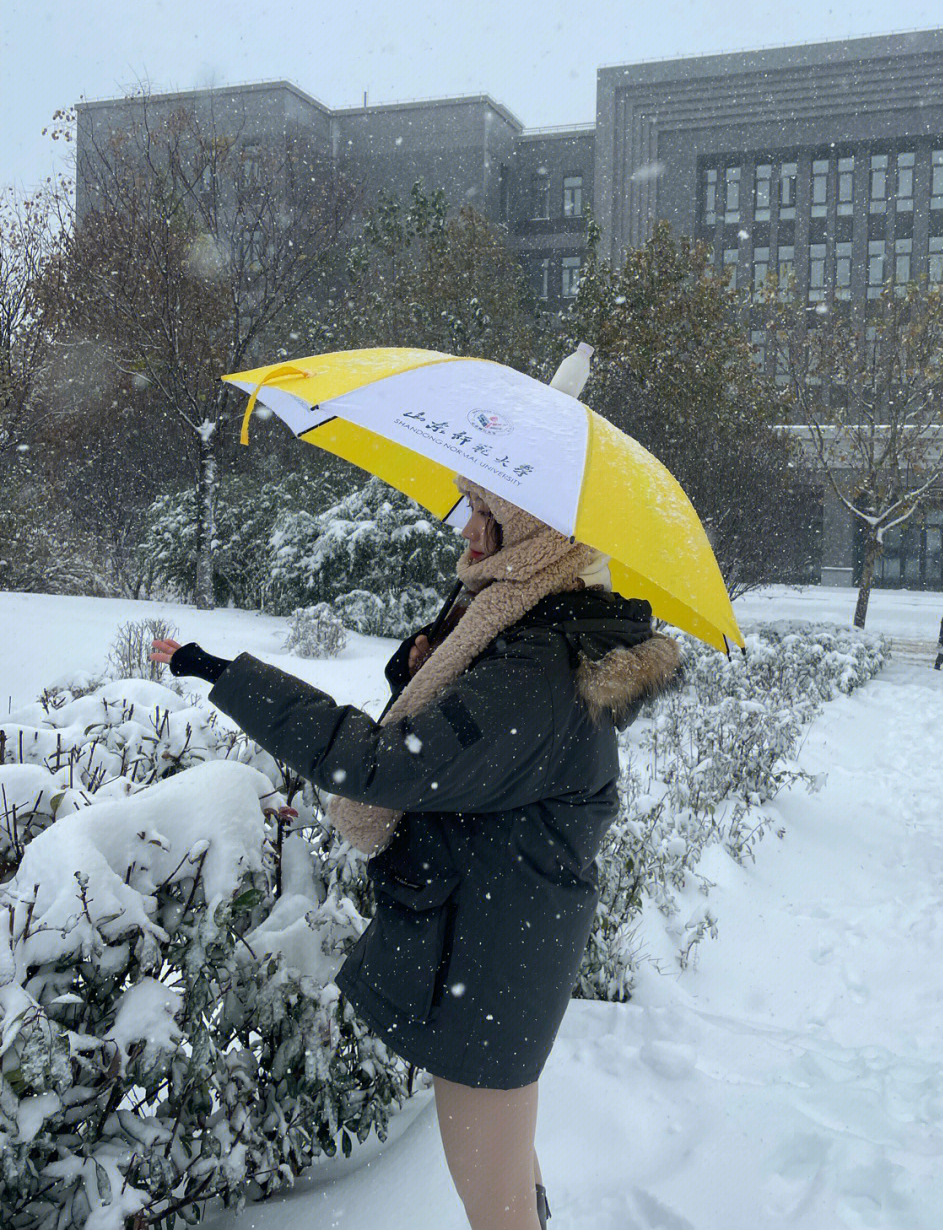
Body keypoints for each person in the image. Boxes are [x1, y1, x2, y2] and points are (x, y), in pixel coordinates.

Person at [151, 477, 681, 1230]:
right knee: (507, 1188)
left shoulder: (537, 671)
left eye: (490, 516)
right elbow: (463, 757)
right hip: (497, 952)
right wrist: (427, 663)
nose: (469, 531)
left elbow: (386, 764)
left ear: (536, 538)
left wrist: (229, 675)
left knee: (496, 1212)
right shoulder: (537, 629)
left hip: (488, 975)